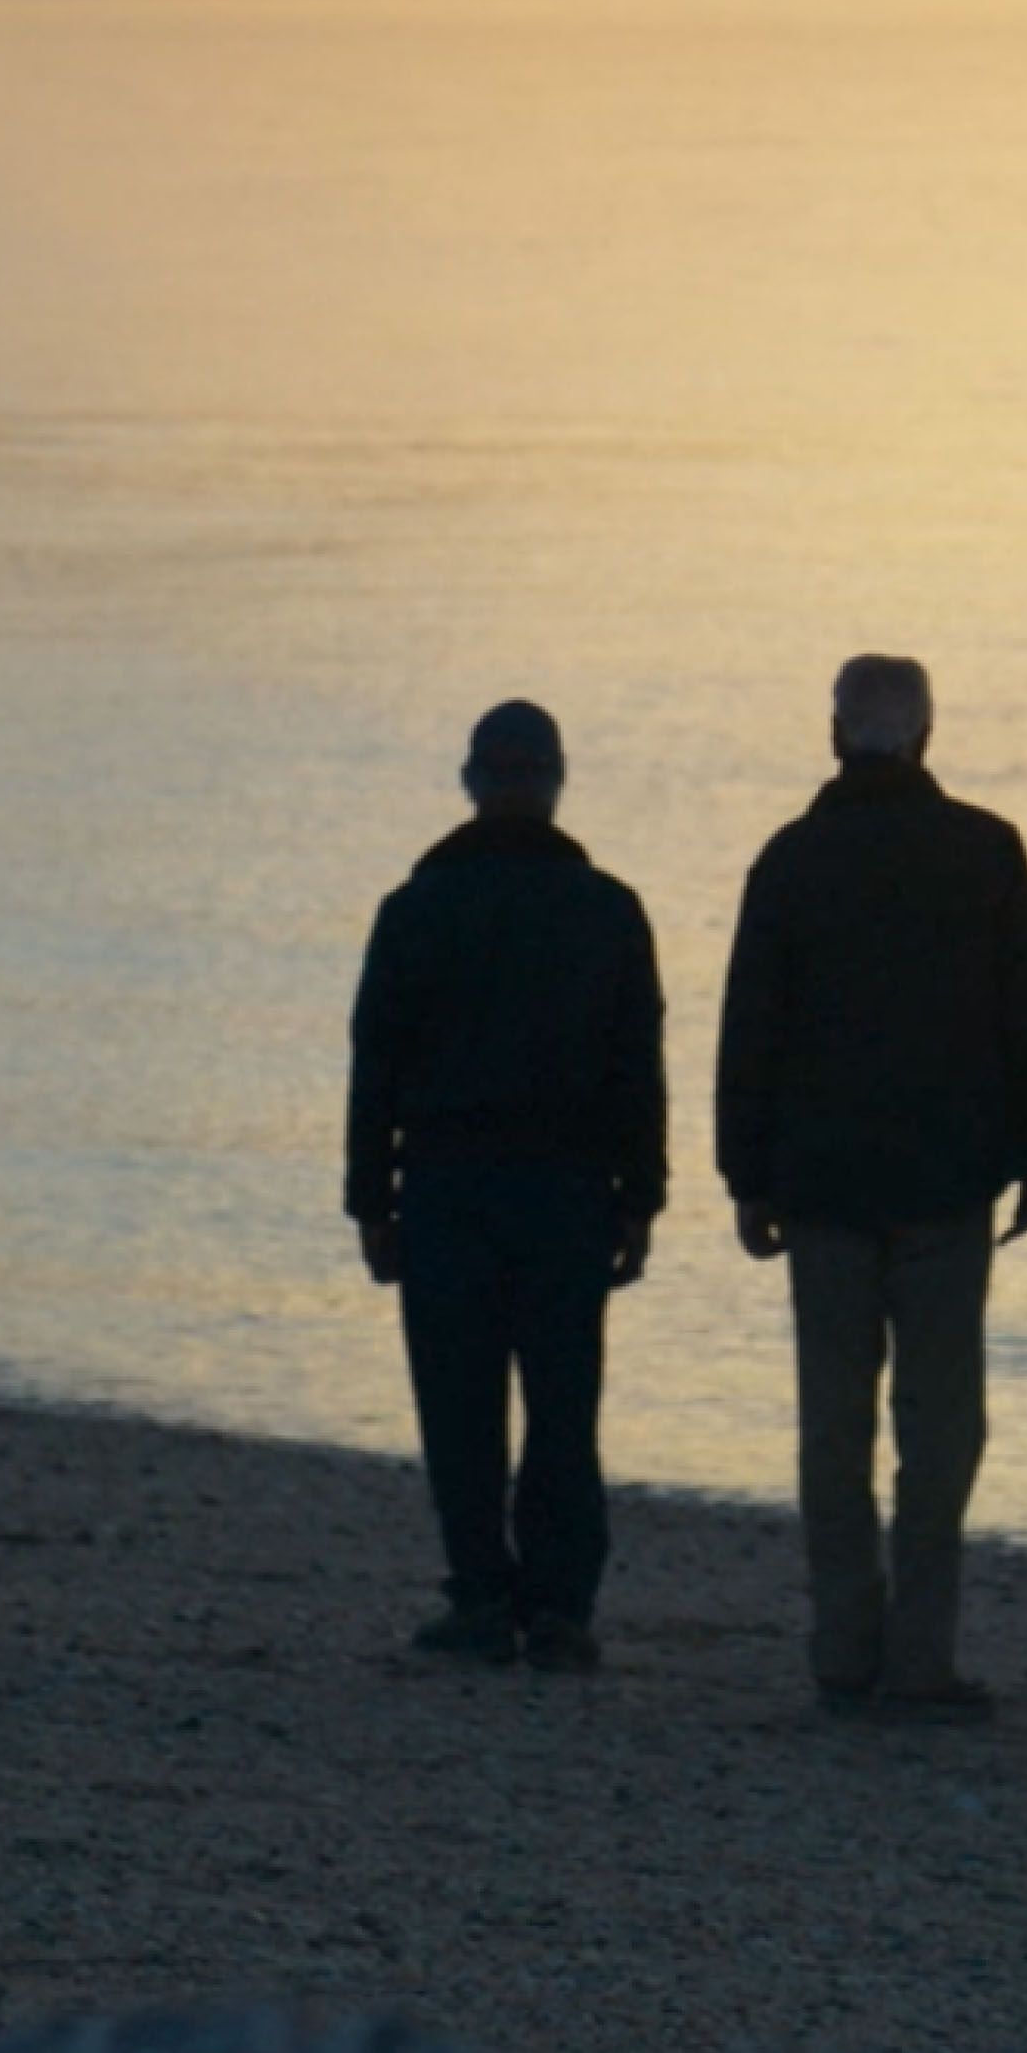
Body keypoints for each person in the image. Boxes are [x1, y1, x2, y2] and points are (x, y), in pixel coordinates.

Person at [716, 655, 1027, 1722]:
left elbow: (750, 1029)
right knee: (941, 1426)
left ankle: (841, 1647)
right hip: (945, 1182)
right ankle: (920, 1658)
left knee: (834, 1425)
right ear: (927, 735)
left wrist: (746, 1170)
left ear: (834, 734)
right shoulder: (985, 850)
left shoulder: (792, 857)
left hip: (822, 1184)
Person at [342, 698, 664, 1675]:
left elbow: (376, 1066)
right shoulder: (606, 909)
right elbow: (635, 1068)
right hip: (566, 1191)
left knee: (459, 1405)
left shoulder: (416, 909)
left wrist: (371, 1200)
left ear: (475, 783)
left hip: (447, 1187)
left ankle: (480, 1595)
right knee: (564, 1407)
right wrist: (640, 1197)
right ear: (555, 783)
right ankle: (561, 1608)